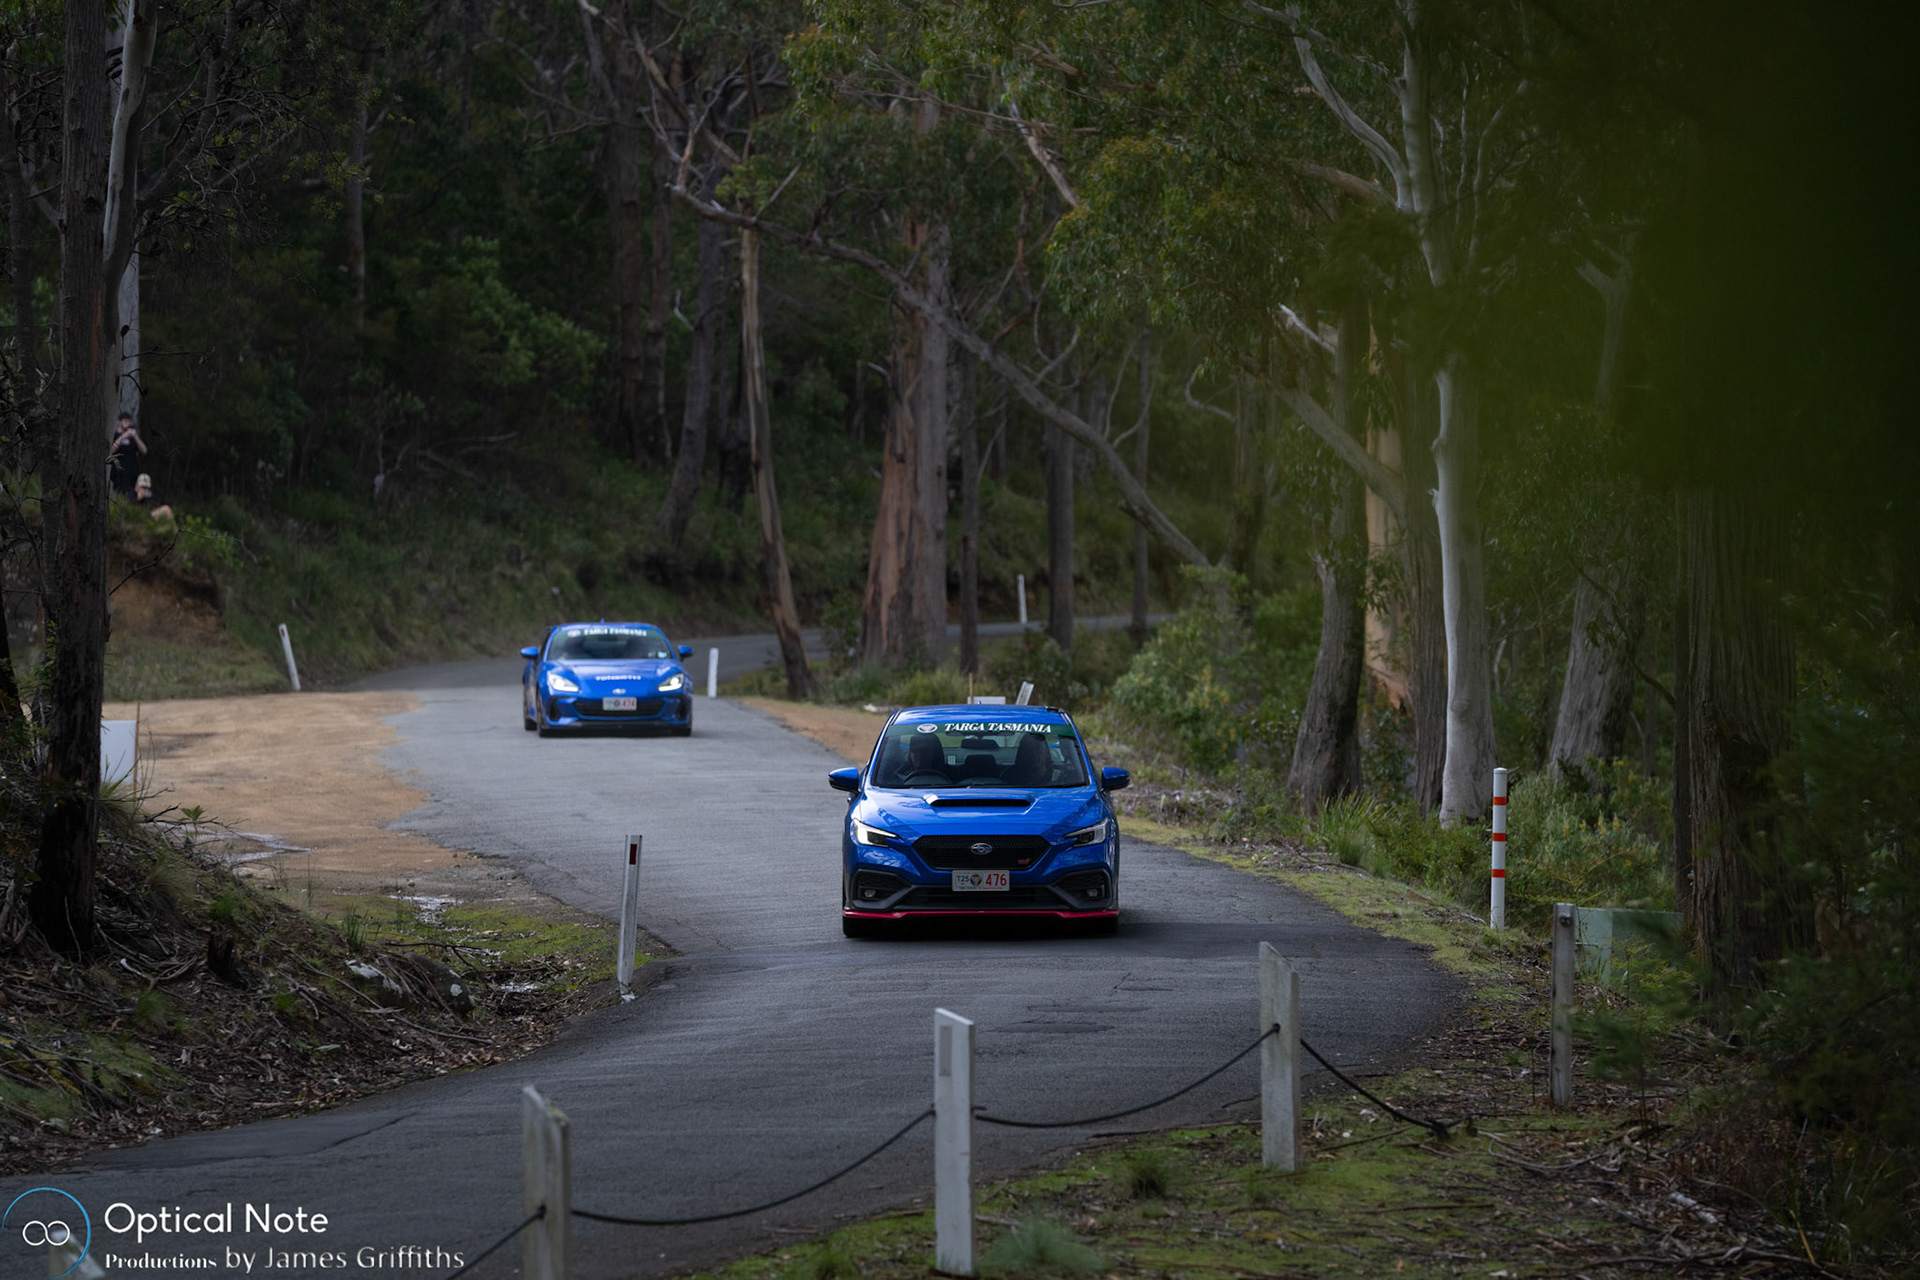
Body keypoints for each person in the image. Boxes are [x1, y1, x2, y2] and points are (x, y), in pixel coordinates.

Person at [108, 412, 147, 495]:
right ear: (120, 422)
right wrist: (124, 436)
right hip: (119, 473)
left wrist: (135, 436)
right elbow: (112, 450)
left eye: (129, 421)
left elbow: (144, 450)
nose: (127, 423)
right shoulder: (116, 436)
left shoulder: (133, 439)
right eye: (125, 421)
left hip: (132, 472)